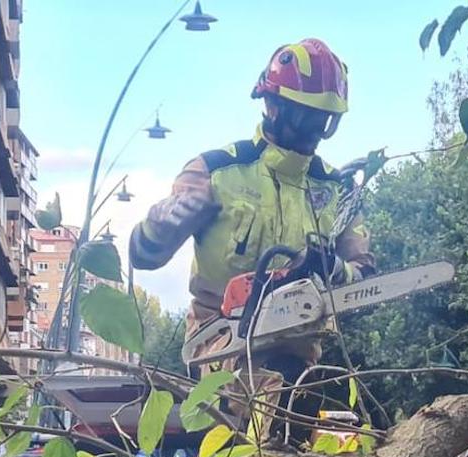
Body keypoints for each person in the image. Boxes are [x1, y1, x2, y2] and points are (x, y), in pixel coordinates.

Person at [129, 38, 376, 410]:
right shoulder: (217, 172)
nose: (312, 128)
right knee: (275, 394)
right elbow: (144, 256)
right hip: (222, 339)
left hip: (299, 348)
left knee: (302, 396)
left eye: (322, 120)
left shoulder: (334, 190)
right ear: (273, 105)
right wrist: (161, 222)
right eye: (304, 115)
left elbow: (365, 276)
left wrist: (333, 268)